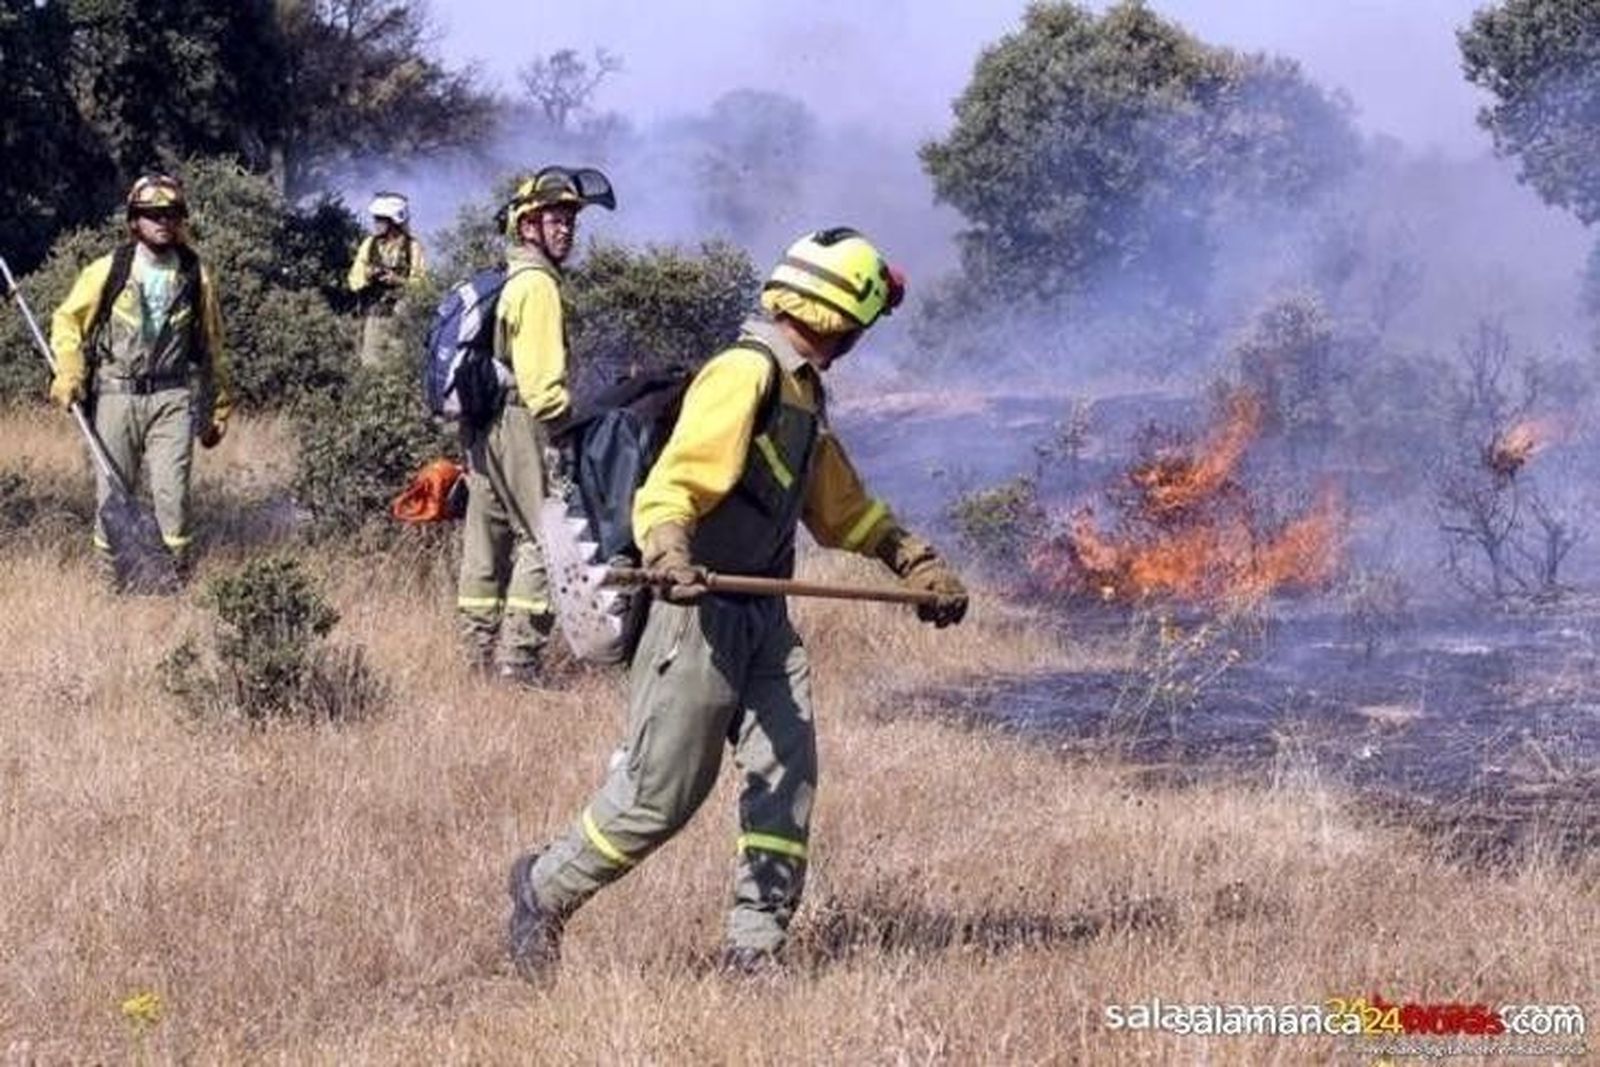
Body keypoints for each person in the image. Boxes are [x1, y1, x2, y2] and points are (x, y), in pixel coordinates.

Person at [506, 228, 970, 982]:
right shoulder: (744, 373)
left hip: (763, 618)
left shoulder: (801, 389)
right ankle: (542, 886)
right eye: (862, 319)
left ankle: (752, 947)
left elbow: (841, 507)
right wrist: (669, 554)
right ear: (831, 311)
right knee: (662, 796)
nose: (861, 337)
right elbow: (676, 485)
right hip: (699, 611)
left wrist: (912, 560)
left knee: (787, 773)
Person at [49, 174, 232, 581]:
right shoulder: (108, 269)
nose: (163, 222)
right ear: (134, 221)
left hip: (171, 398)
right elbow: (67, 319)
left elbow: (211, 345)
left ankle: (172, 581)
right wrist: (69, 369)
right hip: (115, 395)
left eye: (171, 214)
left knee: (173, 496)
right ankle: (112, 584)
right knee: (113, 494)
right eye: (152, 215)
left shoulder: (195, 273)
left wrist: (215, 407)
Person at [456, 168, 591, 685]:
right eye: (555, 219)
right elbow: (542, 387)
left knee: (485, 537)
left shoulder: (508, 276)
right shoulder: (538, 287)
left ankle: (476, 652)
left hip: (484, 422)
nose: (566, 230)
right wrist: (566, 428)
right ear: (527, 225)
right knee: (544, 537)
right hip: (521, 420)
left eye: (570, 220)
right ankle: (518, 662)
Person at [347, 191, 425, 366]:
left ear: (393, 221)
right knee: (370, 367)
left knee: (398, 366)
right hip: (374, 317)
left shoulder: (413, 248)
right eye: (376, 218)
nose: (376, 223)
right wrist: (368, 275)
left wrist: (397, 280)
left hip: (401, 319)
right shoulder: (369, 244)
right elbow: (354, 279)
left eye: (381, 219)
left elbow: (421, 286)